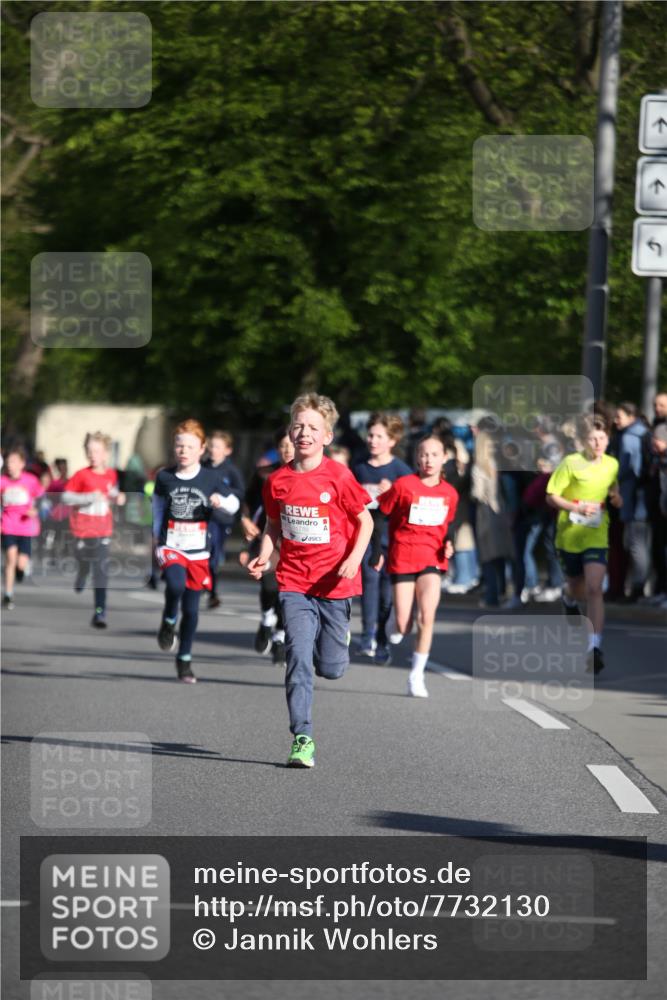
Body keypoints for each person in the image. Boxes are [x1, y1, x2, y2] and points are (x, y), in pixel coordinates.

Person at [247, 393, 373, 768]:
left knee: (331, 668)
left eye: (313, 428)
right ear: (290, 430)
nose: (304, 433)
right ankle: (302, 737)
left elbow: (364, 521)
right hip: (295, 582)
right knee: (297, 656)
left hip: (336, 583)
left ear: (327, 436)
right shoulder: (278, 481)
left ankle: (338, 638)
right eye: (298, 426)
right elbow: (273, 523)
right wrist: (265, 555)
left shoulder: (339, 476)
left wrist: (353, 558)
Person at [153, 419, 241, 683]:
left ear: (201, 449)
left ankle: (184, 659)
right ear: (174, 447)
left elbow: (234, 504)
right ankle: (169, 619)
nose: (184, 451)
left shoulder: (210, 477)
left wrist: (221, 501)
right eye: (180, 445)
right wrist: (155, 539)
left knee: (192, 610)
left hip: (198, 551)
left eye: (190, 446)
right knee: (175, 585)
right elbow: (157, 509)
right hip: (171, 546)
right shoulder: (164, 476)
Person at [377, 435, 458, 698]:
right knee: (403, 625)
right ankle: (393, 621)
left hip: (432, 559)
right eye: (423, 454)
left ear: (444, 457)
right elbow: (380, 512)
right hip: (402, 556)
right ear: (416, 458)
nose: (428, 460)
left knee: (427, 616)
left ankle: (416, 676)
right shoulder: (404, 485)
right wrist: (378, 549)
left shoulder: (449, 492)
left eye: (434, 454)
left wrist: (449, 544)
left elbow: (448, 527)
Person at [546, 413, 621, 674]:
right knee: (576, 587)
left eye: (602, 438)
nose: (598, 443)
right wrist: (575, 505)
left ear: (608, 440)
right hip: (569, 535)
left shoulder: (612, 464)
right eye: (593, 438)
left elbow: (612, 487)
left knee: (594, 588)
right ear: (584, 441)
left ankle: (594, 647)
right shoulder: (571, 463)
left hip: (597, 534)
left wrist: (616, 497)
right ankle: (567, 597)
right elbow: (551, 496)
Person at [352, 412, 411, 663]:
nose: (372, 440)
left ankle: (384, 639)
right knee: (369, 581)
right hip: (366, 535)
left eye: (379, 436)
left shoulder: (400, 470)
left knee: (387, 591)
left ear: (392, 441)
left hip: (392, 536)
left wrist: (394, 493)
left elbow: (412, 503)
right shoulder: (359, 466)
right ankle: (367, 635)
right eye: (371, 435)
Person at [240, 429, 295, 665]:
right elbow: (247, 502)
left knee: (287, 591)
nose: (287, 450)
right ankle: (265, 619)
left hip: (294, 541)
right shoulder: (265, 475)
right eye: (283, 445)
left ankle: (280, 637)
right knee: (270, 585)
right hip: (269, 537)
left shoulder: (307, 475)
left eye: (290, 445)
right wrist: (244, 520)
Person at [62, 433, 126, 628]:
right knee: (84, 560)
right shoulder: (81, 475)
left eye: (96, 451)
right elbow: (66, 497)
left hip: (102, 530)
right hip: (81, 529)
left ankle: (100, 612)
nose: (92, 455)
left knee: (100, 572)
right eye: (89, 451)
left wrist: (117, 497)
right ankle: (81, 572)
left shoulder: (111, 474)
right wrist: (88, 497)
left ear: (105, 454)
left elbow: (111, 491)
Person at [610, 402, 651, 602]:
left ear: (631, 416)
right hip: (640, 497)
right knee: (637, 543)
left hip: (634, 498)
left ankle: (638, 587)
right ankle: (638, 585)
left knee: (635, 544)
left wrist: (612, 477)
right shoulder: (643, 433)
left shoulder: (629, 437)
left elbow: (629, 468)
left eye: (619, 416)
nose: (616, 421)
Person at [471, 426, 515, 608]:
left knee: (487, 556)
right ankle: (503, 590)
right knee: (500, 556)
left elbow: (477, 493)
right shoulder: (497, 465)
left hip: (486, 514)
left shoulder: (478, 468)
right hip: (501, 513)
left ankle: (491, 596)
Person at [203, 430, 245, 609]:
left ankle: (212, 592)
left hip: (221, 519)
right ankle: (200, 585)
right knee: (201, 553)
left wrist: (222, 497)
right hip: (201, 517)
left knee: (214, 556)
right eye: (211, 446)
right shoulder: (201, 466)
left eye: (217, 447)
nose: (213, 450)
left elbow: (240, 493)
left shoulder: (231, 471)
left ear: (227, 450)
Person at [1, 447, 44, 609]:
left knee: (21, 563)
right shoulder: (2, 482)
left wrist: (35, 509)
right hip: (8, 525)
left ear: (22, 464)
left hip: (26, 527)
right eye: (8, 462)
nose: (10, 465)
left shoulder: (30, 480)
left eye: (13, 462)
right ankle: (8, 595)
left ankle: (19, 572)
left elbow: (41, 497)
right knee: (10, 558)